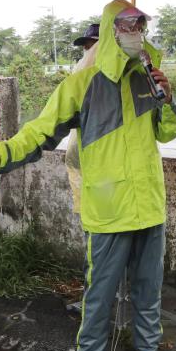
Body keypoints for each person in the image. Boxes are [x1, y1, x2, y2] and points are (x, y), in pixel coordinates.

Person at [0, 0, 176, 351]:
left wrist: (168, 100)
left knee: (148, 290)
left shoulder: (148, 77)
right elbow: (39, 131)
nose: (136, 34)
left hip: (150, 205)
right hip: (109, 211)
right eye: (128, 26)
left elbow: (168, 133)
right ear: (111, 31)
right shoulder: (82, 84)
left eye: (140, 26)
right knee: (98, 295)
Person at [66, 23, 99, 217]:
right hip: (83, 149)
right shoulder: (80, 73)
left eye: (92, 46)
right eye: (86, 47)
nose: (88, 51)